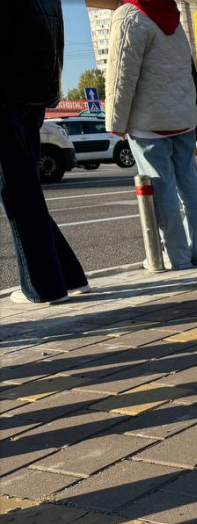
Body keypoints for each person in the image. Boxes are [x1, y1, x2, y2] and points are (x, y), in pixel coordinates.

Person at [106, 0, 197, 271]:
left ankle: (176, 256)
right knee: (190, 184)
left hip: (149, 121)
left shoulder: (129, 15)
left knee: (161, 188)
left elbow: (121, 74)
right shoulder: (173, 15)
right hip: (185, 116)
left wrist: (115, 122)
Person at [2, 0, 89, 304]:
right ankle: (68, 275)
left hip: (7, 91)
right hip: (36, 91)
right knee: (25, 187)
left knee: (17, 190)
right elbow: (58, 40)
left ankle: (44, 286)